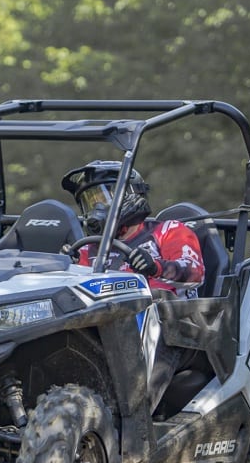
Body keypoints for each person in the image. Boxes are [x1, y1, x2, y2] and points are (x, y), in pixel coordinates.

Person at [61, 160, 205, 412]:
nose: (97, 207)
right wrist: (65, 265)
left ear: (131, 195)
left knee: (152, 310)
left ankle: (132, 420)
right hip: (105, 328)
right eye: (90, 201)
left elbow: (195, 272)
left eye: (105, 198)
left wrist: (156, 267)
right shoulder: (86, 248)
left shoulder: (168, 231)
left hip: (171, 327)